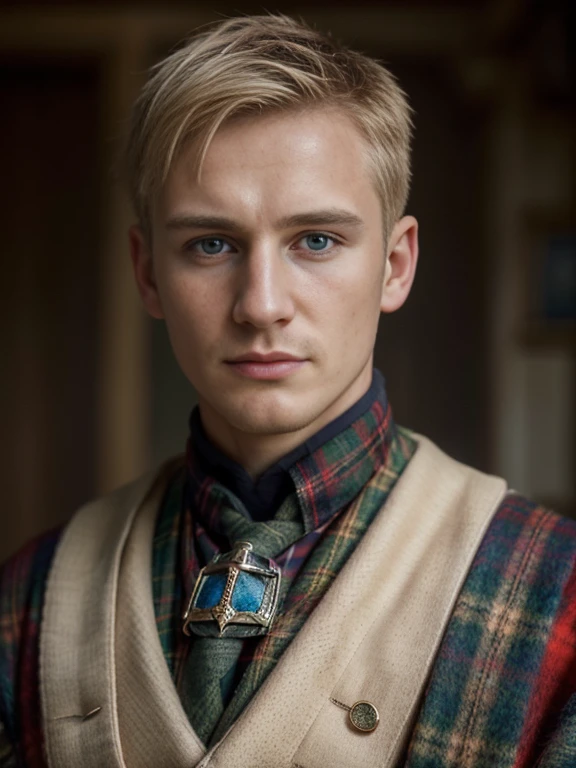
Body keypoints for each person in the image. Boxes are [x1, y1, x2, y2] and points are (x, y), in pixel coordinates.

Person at [1, 14, 575, 768]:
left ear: (396, 264)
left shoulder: (555, 594)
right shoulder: (31, 602)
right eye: (211, 244)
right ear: (147, 272)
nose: (261, 303)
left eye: (316, 240)